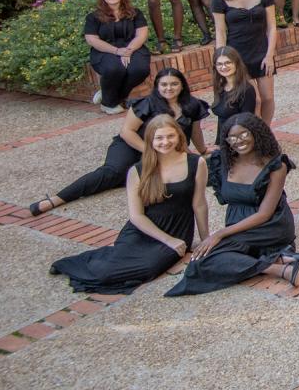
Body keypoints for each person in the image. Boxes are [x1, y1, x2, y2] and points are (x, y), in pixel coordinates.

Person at [49, 117, 205, 294]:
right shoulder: (138, 170)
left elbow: (199, 204)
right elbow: (137, 216)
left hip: (177, 228)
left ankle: (99, 268)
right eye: (159, 138)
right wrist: (169, 241)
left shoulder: (195, 163)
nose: (165, 142)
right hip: (144, 229)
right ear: (150, 141)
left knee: (149, 268)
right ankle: (72, 264)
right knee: (107, 271)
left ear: (179, 136)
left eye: (170, 136)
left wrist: (206, 239)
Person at [31, 68, 207, 215]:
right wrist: (149, 151)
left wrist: (203, 149)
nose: (169, 88)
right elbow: (127, 132)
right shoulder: (145, 104)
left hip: (163, 150)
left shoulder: (192, 105)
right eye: (164, 84)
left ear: (182, 85)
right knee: (111, 173)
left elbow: (195, 131)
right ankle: (56, 199)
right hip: (132, 145)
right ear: (157, 86)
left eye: (174, 84)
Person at [167, 114, 299, 295]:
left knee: (203, 261)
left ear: (256, 133)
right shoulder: (223, 161)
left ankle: (278, 263)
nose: (238, 141)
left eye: (244, 135)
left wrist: (219, 234)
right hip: (237, 225)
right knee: (203, 258)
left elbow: (265, 214)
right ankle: (277, 266)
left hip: (269, 225)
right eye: (232, 137)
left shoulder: (276, 165)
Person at [211, 0, 278, 123]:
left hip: (262, 52)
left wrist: (270, 55)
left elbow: (272, 27)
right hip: (237, 56)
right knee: (254, 100)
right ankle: (255, 134)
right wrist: (221, 57)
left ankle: (265, 131)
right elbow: (220, 32)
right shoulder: (219, 1)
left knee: (268, 98)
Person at [83, 0, 151, 114]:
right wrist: (117, 51)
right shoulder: (93, 17)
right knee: (115, 69)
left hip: (133, 48)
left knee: (139, 70)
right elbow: (92, 39)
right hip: (106, 50)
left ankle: (109, 94)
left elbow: (141, 34)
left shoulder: (135, 13)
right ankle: (108, 104)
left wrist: (128, 51)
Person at [208, 47, 259, 149]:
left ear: (236, 63)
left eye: (228, 62)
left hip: (240, 141)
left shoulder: (246, 89)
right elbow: (221, 119)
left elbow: (247, 122)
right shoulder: (220, 86)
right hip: (226, 139)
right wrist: (219, 143)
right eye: (219, 64)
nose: (223, 67)